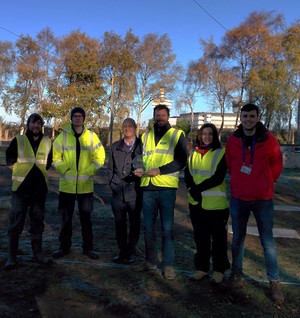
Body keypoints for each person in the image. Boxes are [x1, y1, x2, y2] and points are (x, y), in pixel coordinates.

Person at [225, 103, 284, 304]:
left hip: (263, 200)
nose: (248, 119)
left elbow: (277, 165)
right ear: (240, 118)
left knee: (267, 242)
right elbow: (230, 164)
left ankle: (274, 281)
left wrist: (265, 183)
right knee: (237, 239)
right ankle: (236, 274)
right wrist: (240, 182)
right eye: (245, 116)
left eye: (252, 116)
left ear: (258, 117)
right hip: (239, 198)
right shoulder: (233, 140)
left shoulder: (269, 140)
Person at [133, 104, 188, 280]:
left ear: (168, 117)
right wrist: (139, 167)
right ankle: (150, 262)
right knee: (148, 228)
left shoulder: (177, 135)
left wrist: (160, 170)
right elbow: (138, 157)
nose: (160, 118)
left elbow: (181, 161)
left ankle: (168, 265)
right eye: (157, 115)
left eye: (163, 115)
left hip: (166, 188)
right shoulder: (146, 136)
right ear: (154, 116)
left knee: (167, 229)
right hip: (148, 188)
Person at [52, 107, 105, 260]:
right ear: (71, 118)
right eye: (75, 116)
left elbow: (100, 158)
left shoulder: (91, 136)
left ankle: (88, 248)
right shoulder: (62, 136)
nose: (77, 118)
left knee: (86, 219)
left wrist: (89, 171)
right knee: (66, 219)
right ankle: (64, 247)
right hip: (66, 186)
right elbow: (55, 157)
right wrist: (65, 169)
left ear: (84, 118)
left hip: (85, 186)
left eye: (80, 116)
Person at [4, 113, 53, 269]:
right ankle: (11, 257)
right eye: (33, 123)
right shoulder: (18, 140)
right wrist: (22, 173)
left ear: (41, 126)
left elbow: (48, 162)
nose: (36, 126)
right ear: (28, 125)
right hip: (21, 190)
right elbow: (10, 161)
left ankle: (37, 255)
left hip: (39, 191)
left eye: (39, 123)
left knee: (37, 223)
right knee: (16, 223)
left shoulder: (47, 142)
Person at [185, 123, 230, 284]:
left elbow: (218, 177)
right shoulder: (193, 153)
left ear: (214, 136)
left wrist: (198, 189)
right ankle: (201, 269)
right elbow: (188, 173)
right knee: (201, 239)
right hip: (196, 204)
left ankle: (219, 270)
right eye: (204, 133)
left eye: (210, 134)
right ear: (199, 135)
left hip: (216, 205)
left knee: (218, 240)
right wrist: (191, 188)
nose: (207, 136)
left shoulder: (220, 153)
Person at [108, 118, 143, 264]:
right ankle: (122, 251)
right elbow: (110, 169)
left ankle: (131, 251)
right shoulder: (115, 146)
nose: (127, 128)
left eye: (130, 126)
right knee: (119, 223)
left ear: (135, 128)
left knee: (134, 223)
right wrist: (113, 184)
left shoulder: (142, 146)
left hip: (135, 192)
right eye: (124, 126)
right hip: (118, 192)